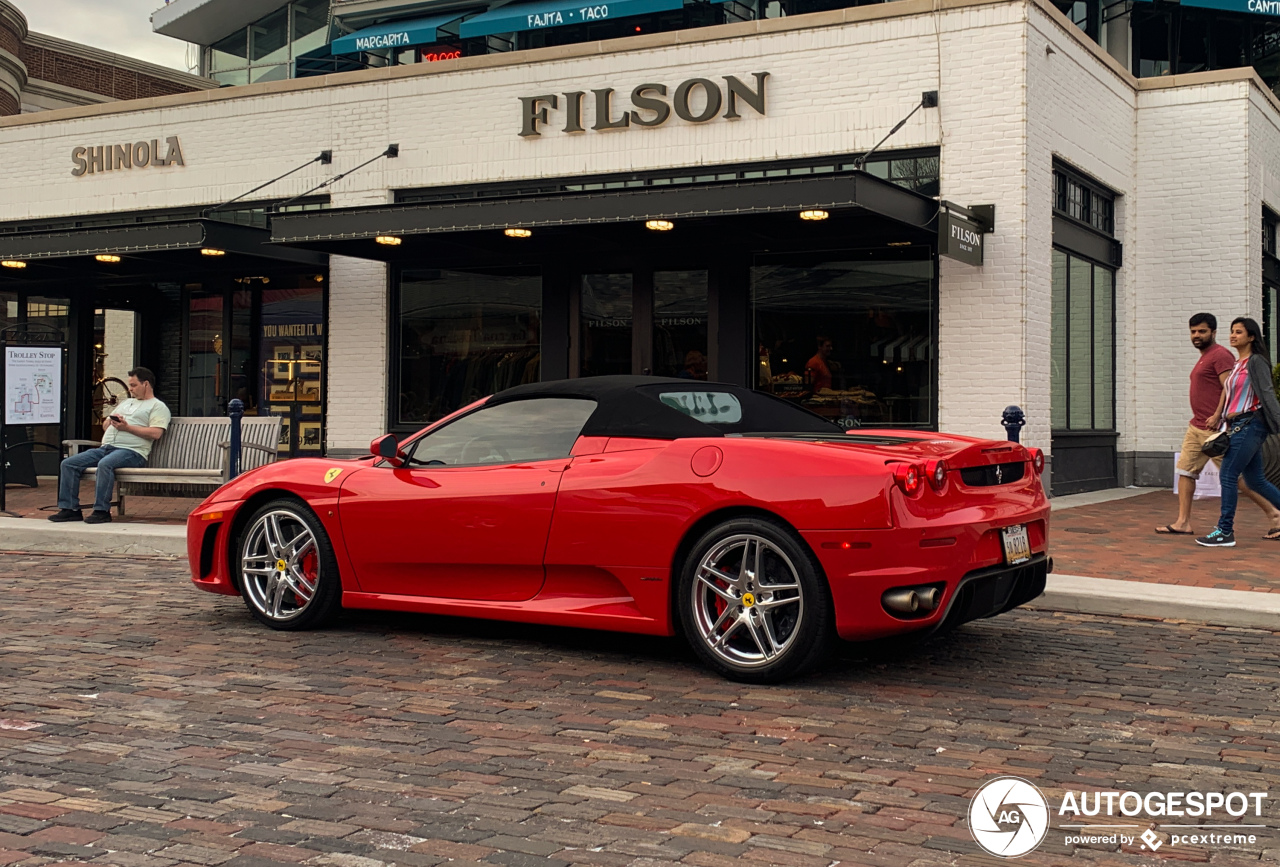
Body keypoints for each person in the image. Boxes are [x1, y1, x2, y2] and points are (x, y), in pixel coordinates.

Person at [1156, 313, 1280, 536]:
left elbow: (1255, 393)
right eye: (1193, 331)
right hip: (1210, 425)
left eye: (1202, 331)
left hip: (1233, 427)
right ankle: (1183, 522)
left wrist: (1219, 416)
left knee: (1233, 476)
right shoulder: (1237, 361)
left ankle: (1228, 530)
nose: (1196, 335)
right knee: (1250, 479)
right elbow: (1232, 389)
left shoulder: (1237, 359)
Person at [49, 367, 171, 525]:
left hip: (132, 452)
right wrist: (111, 421)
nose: (130, 389)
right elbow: (106, 426)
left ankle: (102, 511)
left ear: (146, 384)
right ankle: (70, 509)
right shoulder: (127, 403)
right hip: (105, 448)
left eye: (133, 385)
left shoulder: (157, 407)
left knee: (105, 465)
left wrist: (127, 428)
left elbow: (156, 433)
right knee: (68, 463)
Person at [1196, 318, 1280, 547]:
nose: (1233, 335)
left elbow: (1267, 393)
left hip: (1251, 424)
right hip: (1237, 425)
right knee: (1255, 480)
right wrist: (1219, 416)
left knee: (1228, 475)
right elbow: (1230, 394)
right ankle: (1224, 531)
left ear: (1251, 337)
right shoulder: (1237, 363)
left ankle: (1225, 531)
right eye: (1232, 331)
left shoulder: (1256, 362)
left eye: (1239, 332)